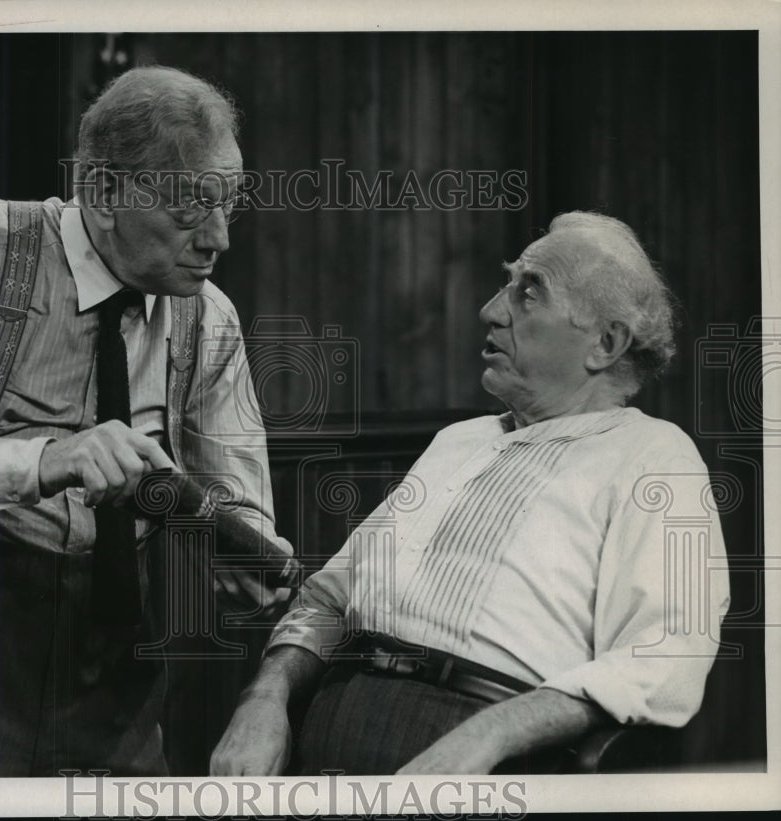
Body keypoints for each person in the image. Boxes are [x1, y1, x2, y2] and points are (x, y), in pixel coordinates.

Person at [0, 66, 287, 777]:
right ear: (102, 191)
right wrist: (38, 462)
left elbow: (240, 506)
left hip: (112, 704)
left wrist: (240, 551)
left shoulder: (208, 319)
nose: (217, 238)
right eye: (191, 208)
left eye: (229, 203)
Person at [211, 212, 731, 776]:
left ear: (606, 343)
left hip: (486, 755)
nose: (491, 309)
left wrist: (487, 735)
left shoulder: (655, 456)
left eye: (529, 293)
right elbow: (326, 601)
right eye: (507, 284)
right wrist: (263, 701)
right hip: (327, 730)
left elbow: (664, 654)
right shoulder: (460, 441)